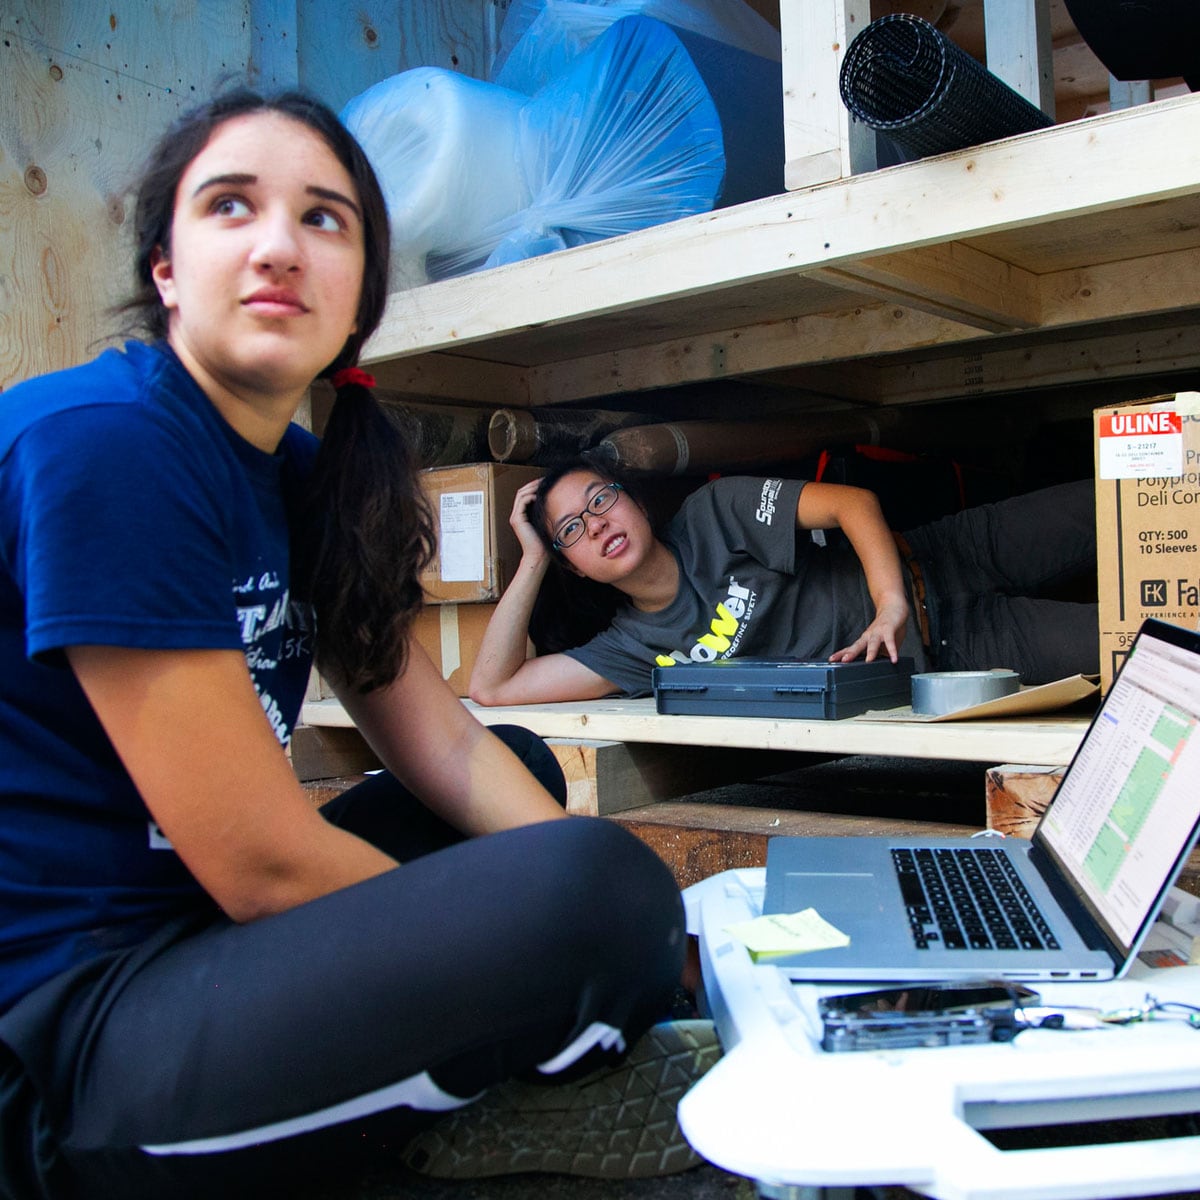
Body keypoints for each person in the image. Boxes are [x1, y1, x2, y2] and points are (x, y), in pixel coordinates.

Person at [0, 90, 716, 1200]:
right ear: (166, 270)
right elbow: (266, 866)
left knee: (525, 791)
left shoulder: (303, 479)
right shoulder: (105, 445)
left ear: (359, 304)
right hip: (64, 1052)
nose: (280, 243)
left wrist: (646, 959)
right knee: (591, 892)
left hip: (188, 948)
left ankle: (464, 1084)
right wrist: (536, 950)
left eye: (325, 219)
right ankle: (461, 1120)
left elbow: (455, 753)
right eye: (231, 205)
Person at [468, 457, 1099, 704]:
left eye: (600, 499)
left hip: (950, 552)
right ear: (572, 565)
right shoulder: (631, 649)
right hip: (963, 648)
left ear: (633, 499)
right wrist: (531, 559)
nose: (597, 525)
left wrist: (887, 606)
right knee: (1149, 645)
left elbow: (853, 502)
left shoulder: (714, 515)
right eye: (572, 531)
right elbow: (492, 687)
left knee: (1128, 503)